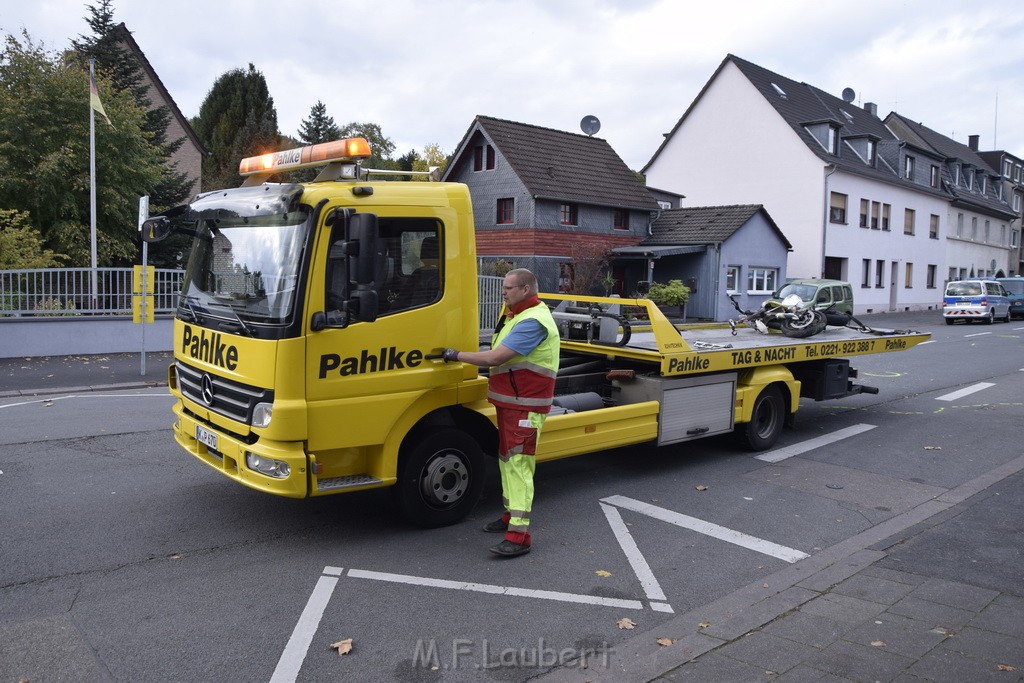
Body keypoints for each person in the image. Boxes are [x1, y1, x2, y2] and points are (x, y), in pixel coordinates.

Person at [441, 268, 560, 557]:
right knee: (507, 461)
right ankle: (510, 515)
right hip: (512, 403)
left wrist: (455, 355)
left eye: (508, 288)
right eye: (503, 287)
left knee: (518, 466)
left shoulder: (532, 321)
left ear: (526, 290)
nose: (503, 292)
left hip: (525, 406)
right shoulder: (515, 315)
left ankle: (519, 536)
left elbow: (496, 357)